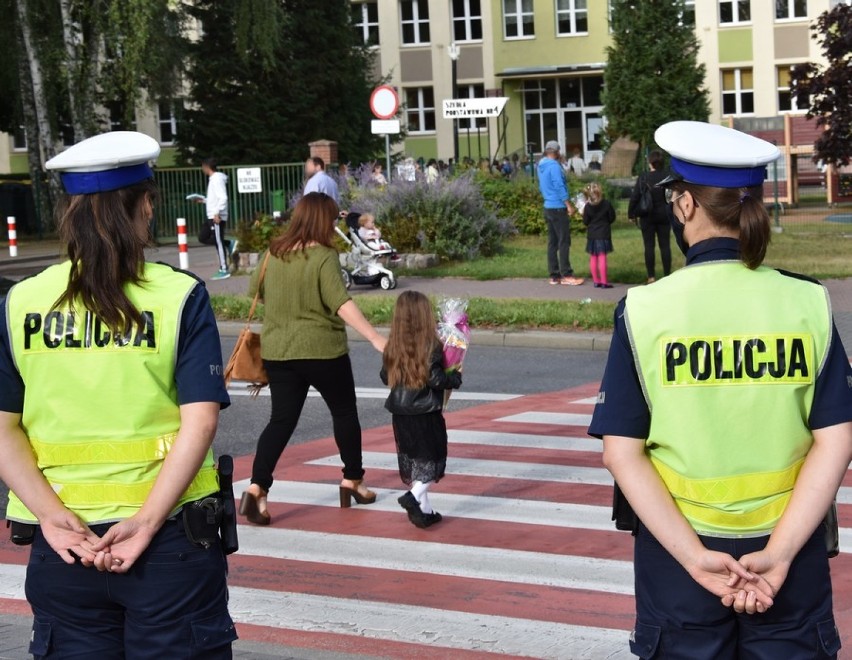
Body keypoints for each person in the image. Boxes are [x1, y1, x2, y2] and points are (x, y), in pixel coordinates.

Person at [589, 120, 852, 659]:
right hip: (791, 551)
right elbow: (836, 441)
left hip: (679, 557)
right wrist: (778, 555)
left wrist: (692, 558)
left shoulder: (645, 310)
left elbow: (621, 454)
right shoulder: (808, 303)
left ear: (684, 206)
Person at [0, 131, 235, 657]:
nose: (151, 212)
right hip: (170, 543)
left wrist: (51, 518)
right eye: (149, 201)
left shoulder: (22, 302)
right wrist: (147, 522)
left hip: (64, 548)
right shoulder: (178, 296)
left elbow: (3, 429)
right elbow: (199, 423)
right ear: (139, 206)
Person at [239, 192, 387, 525]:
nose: (335, 226)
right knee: (344, 413)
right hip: (323, 351)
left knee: (281, 421)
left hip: (278, 352)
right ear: (323, 221)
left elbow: (256, 294)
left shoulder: (272, 254)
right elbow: (341, 302)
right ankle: (352, 480)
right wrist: (377, 338)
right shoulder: (323, 256)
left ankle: (257, 487)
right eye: (333, 220)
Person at [380, 291, 462, 529]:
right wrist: (454, 377)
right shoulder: (431, 345)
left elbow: (385, 376)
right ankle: (413, 497)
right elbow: (435, 379)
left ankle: (424, 511)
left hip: (400, 414)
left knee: (417, 461)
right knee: (434, 460)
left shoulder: (393, 346)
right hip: (425, 413)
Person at [537, 140, 584, 286]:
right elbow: (559, 185)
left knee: (553, 242)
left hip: (548, 205)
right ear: (557, 152)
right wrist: (568, 204)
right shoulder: (555, 167)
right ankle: (567, 274)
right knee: (564, 241)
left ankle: (554, 275)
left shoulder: (541, 165)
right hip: (558, 206)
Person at [628, 149, 672, 283]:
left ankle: (651, 276)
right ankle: (667, 275)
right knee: (665, 246)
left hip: (647, 215)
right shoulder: (667, 176)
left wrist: (631, 213)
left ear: (650, 162)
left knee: (649, 246)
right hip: (664, 214)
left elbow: (635, 196)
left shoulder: (644, 177)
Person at [198, 157, 233, 281]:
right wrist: (204, 201)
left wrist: (217, 213)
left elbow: (222, 198)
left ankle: (224, 269)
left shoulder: (217, 179)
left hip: (216, 216)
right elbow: (215, 199)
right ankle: (228, 243)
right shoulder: (213, 179)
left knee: (218, 242)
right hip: (211, 215)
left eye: (203, 166)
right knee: (203, 237)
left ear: (207, 167)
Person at [582, 181, 616, 289]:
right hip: (604, 233)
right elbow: (612, 217)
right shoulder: (606, 204)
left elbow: (586, 221)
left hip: (592, 234)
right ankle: (604, 282)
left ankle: (596, 281)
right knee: (602, 257)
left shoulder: (587, 207)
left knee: (593, 257)